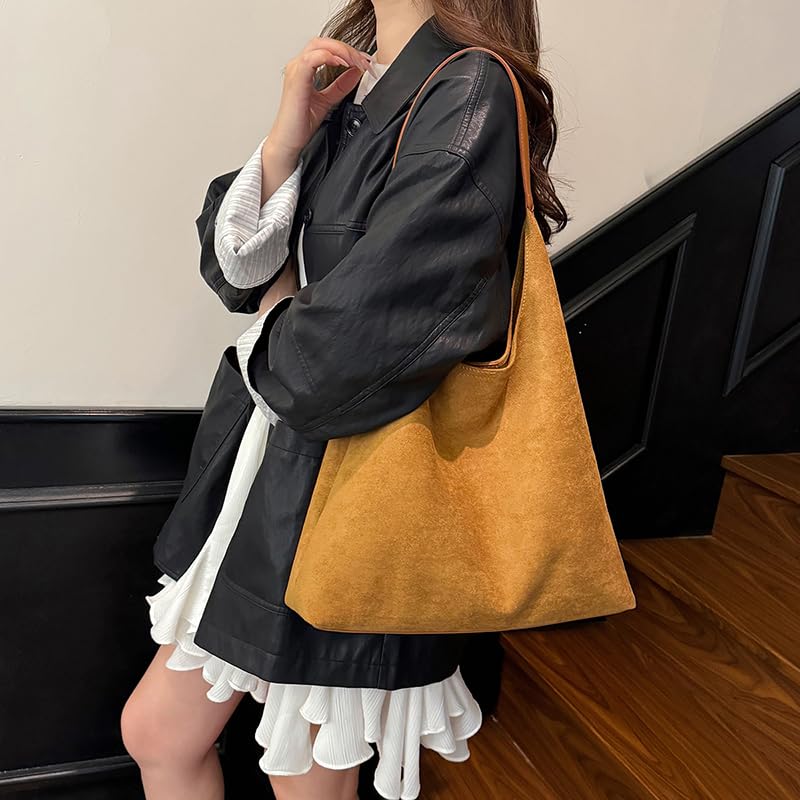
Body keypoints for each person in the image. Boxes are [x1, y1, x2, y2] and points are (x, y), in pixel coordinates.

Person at [120, 2, 568, 799]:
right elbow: (237, 273)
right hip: (280, 471)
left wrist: (277, 321)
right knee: (159, 732)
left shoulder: (467, 88)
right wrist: (286, 140)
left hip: (358, 486)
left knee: (306, 781)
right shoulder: (361, 82)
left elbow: (363, 337)